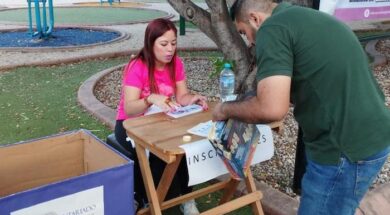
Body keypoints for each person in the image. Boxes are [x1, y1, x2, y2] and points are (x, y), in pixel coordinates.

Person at [213, 0, 390, 214]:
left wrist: (224, 109)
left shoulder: (271, 28)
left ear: (255, 19)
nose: (249, 42)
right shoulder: (306, 18)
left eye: (244, 33)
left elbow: (272, 109)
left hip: (342, 148)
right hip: (372, 136)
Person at [115, 18, 207, 215]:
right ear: (151, 43)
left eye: (173, 43)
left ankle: (186, 197)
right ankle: (146, 198)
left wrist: (193, 99)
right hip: (130, 123)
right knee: (155, 152)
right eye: (164, 44)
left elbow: (181, 96)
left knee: (185, 145)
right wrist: (150, 99)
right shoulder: (137, 66)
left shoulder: (177, 64)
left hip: (159, 119)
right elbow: (130, 108)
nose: (170, 50)